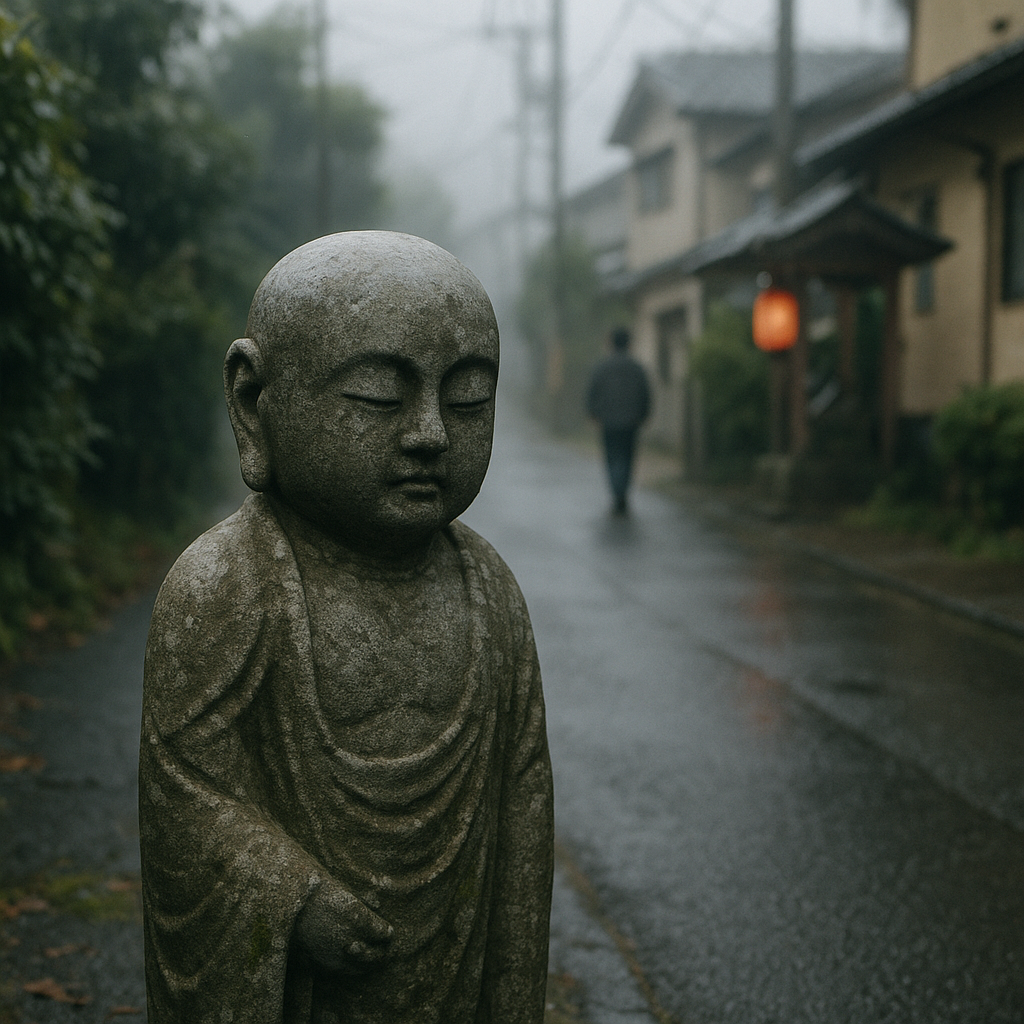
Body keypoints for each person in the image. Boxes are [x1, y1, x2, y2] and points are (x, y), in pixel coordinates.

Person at [139, 231, 554, 1024]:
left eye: (467, 397)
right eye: (377, 396)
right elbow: (186, 799)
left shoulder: (489, 592)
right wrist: (291, 898)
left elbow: (522, 818)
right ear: (254, 400)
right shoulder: (229, 586)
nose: (431, 431)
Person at [586, 327, 651, 514]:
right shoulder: (636, 368)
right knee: (628, 457)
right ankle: (622, 493)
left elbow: (593, 393)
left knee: (612, 457)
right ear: (629, 343)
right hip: (631, 422)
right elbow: (645, 394)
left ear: (611, 343)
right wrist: (643, 414)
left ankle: (617, 493)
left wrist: (594, 413)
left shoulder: (602, 367)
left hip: (608, 421)